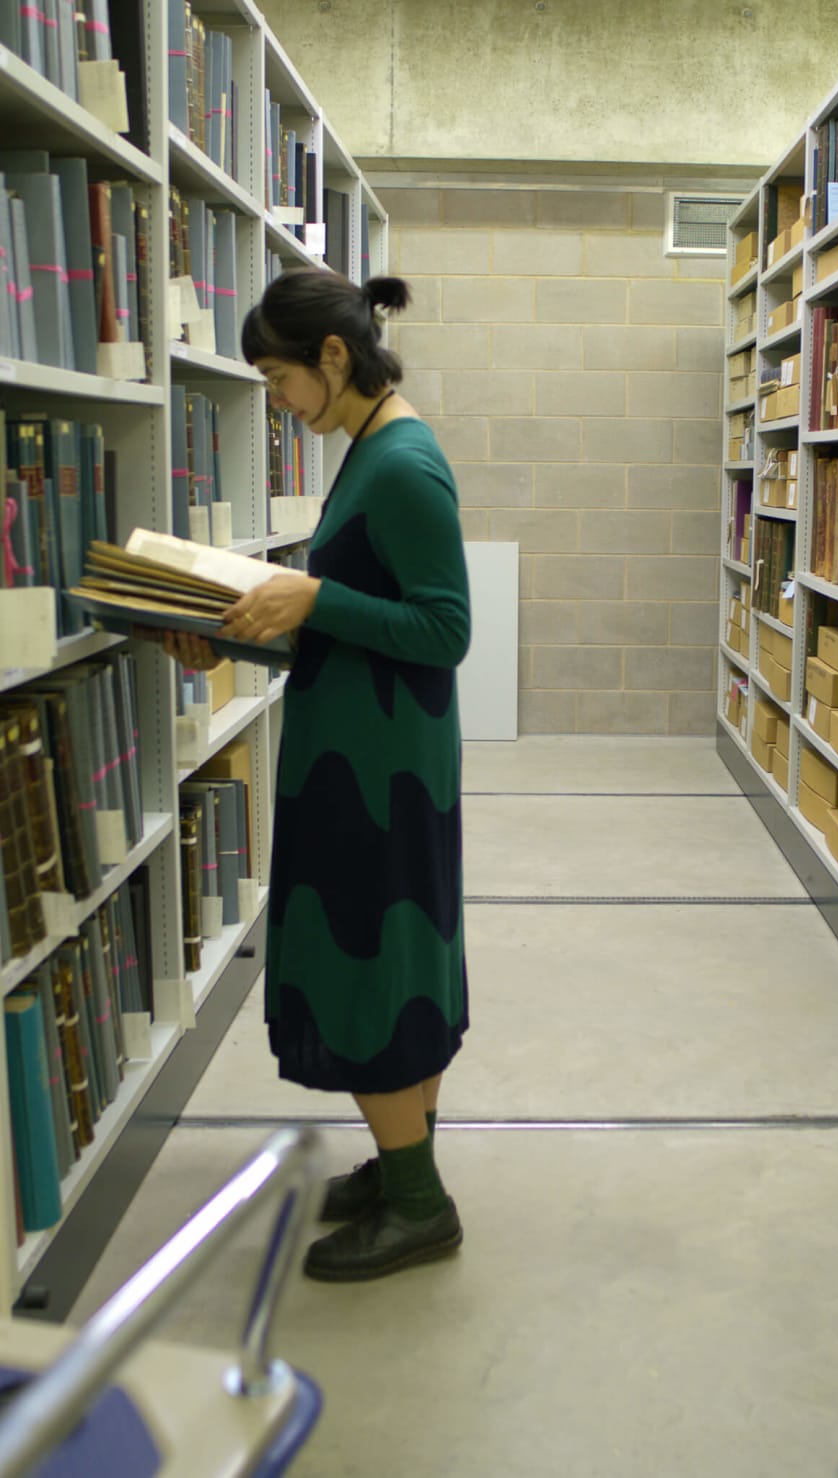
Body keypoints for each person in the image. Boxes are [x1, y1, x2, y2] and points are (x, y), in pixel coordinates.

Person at [164, 269, 471, 1282]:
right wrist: (236, 637)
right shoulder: (368, 448)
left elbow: (443, 628)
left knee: (373, 971)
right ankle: (401, 1164)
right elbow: (342, 627)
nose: (278, 401)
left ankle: (420, 1206)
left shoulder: (402, 463)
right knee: (382, 966)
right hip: (358, 754)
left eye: (278, 377)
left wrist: (311, 594)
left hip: (381, 775)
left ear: (333, 358)